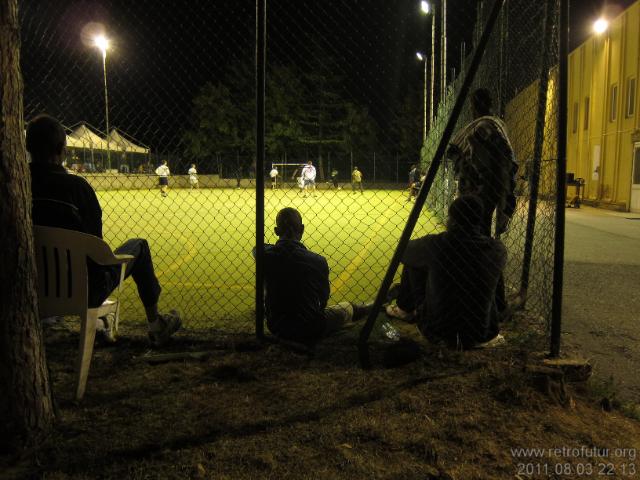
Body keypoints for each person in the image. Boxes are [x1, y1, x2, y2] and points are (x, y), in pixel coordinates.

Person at [27, 114, 181, 346]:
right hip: (83, 290)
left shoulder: (16, 185)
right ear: (62, 149)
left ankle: (50, 320)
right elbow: (95, 247)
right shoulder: (78, 189)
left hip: (29, 284)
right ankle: (156, 325)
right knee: (139, 246)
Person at [385, 195, 506, 349]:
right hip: (484, 332)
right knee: (491, 268)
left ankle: (404, 309)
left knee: (413, 261)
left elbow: (402, 251)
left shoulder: (436, 244)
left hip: (437, 331)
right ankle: (488, 317)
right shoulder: (497, 249)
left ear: (452, 220)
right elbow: (499, 299)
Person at [447, 88, 518, 318]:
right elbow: (505, 162)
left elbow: (485, 162)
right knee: (485, 248)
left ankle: (489, 303)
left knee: (478, 248)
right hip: (486, 197)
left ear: (473, 105)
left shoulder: (482, 128)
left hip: (478, 199)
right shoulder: (494, 125)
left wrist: (490, 196)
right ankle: (493, 302)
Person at [263, 208, 372, 346]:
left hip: (276, 326)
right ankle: (373, 307)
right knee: (347, 307)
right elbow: (323, 300)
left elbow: (260, 248)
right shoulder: (318, 261)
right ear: (302, 229)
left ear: (276, 231)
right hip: (310, 328)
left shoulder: (264, 254)